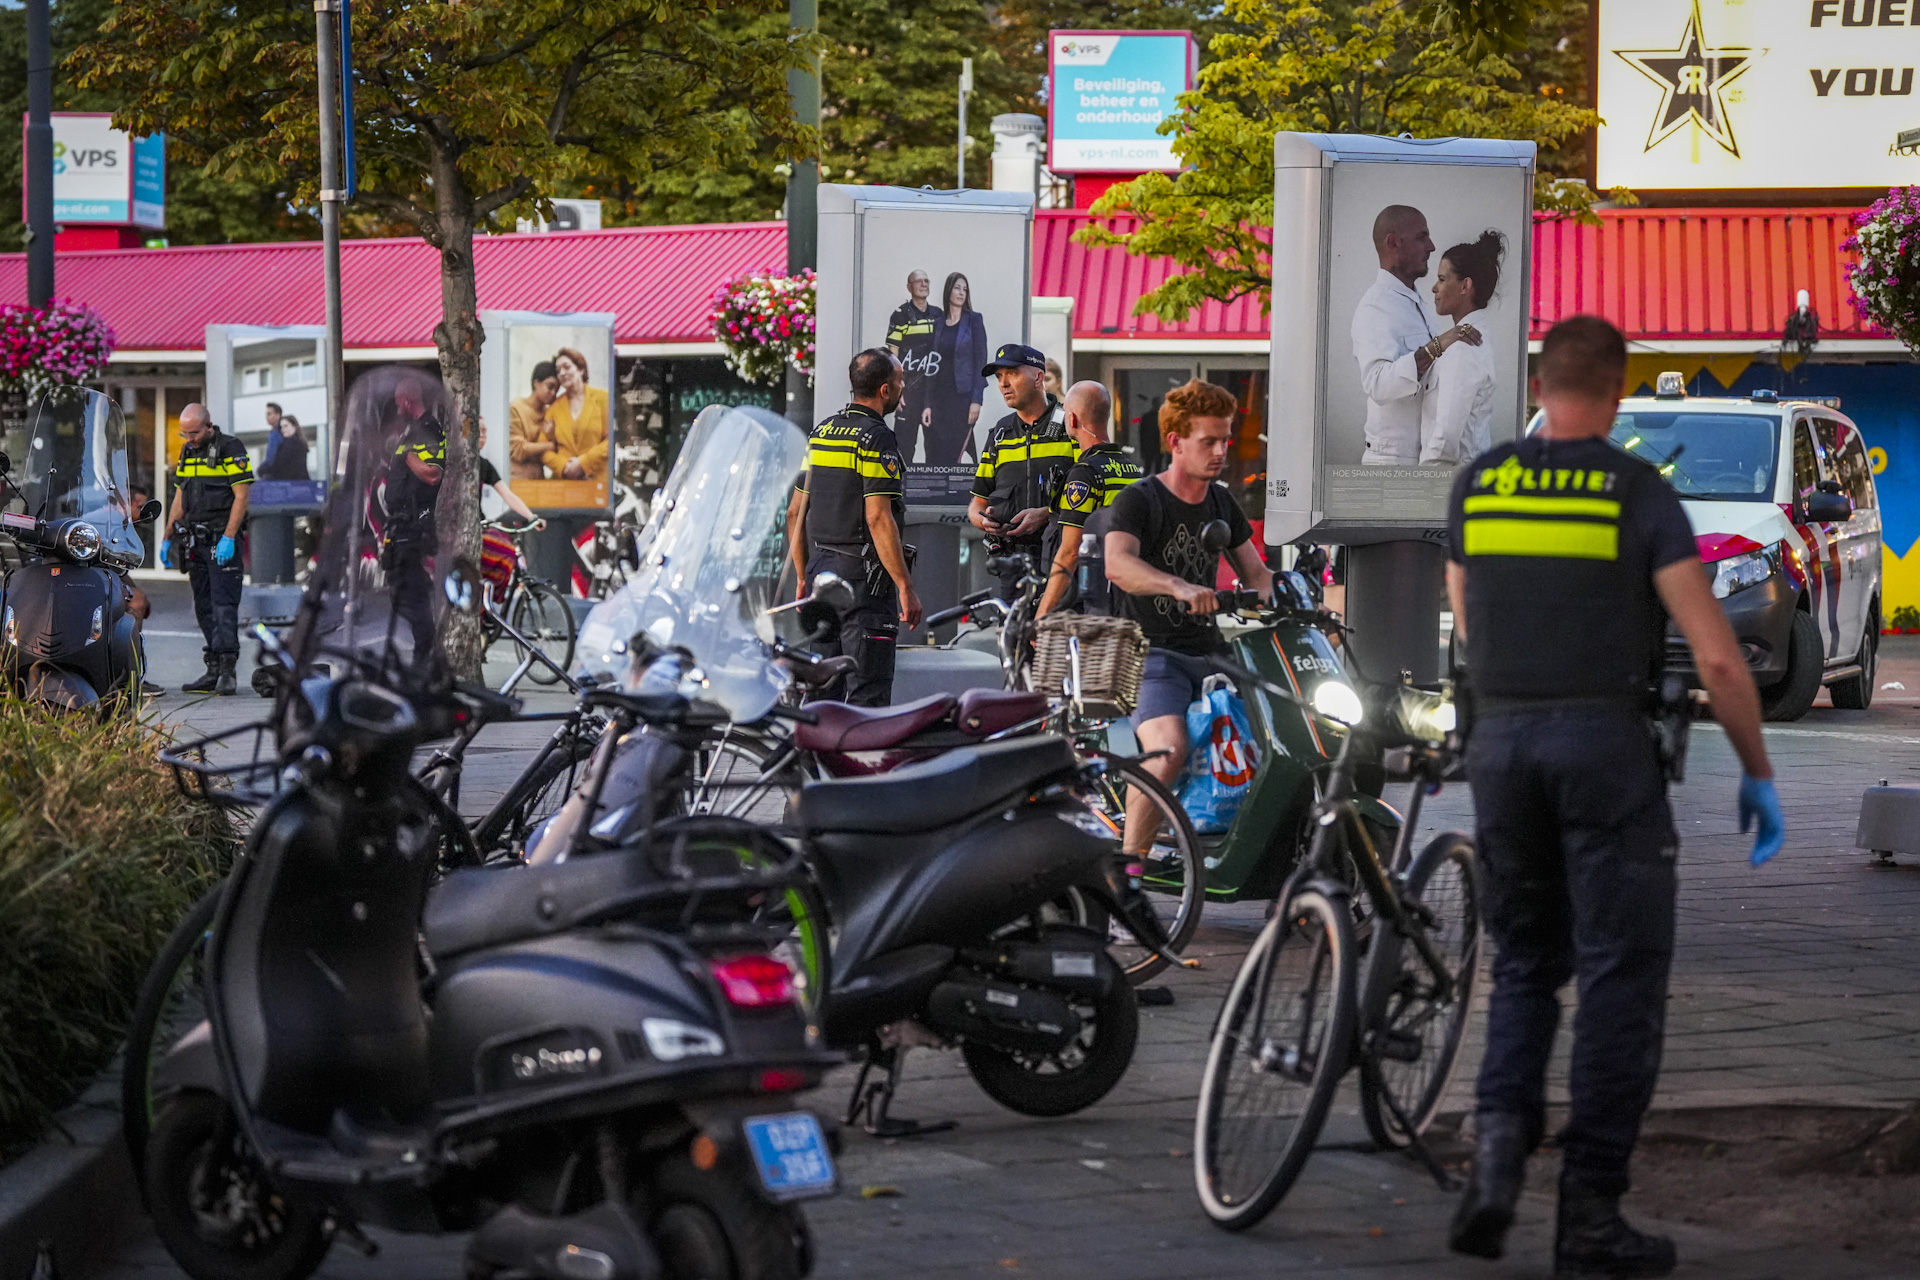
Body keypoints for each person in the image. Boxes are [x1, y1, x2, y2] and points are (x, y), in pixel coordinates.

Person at [1444, 316, 1784, 1278]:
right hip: (1604, 750)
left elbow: (1469, 619)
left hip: (1501, 747)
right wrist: (1758, 773)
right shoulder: (1637, 490)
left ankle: (1496, 1168)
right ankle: (1590, 1215)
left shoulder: (1483, 482)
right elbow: (1717, 654)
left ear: (1540, 382)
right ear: (1617, 385)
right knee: (1619, 980)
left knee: (1521, 967)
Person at [1104, 379, 1274, 861]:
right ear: (1176, 442)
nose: (1221, 451)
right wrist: (1177, 586)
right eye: (1209, 441)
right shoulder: (1141, 500)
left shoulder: (1221, 502)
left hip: (1212, 654)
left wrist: (1302, 601)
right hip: (1151, 654)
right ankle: (1128, 874)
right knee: (1168, 750)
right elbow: (1118, 565)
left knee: (1281, 740)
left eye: (1225, 439)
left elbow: (1257, 574)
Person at [785, 349, 922, 705]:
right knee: (867, 695)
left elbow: (794, 512)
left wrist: (802, 577)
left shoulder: (822, 433)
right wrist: (905, 585)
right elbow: (878, 517)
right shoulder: (877, 438)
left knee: (822, 694)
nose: (902, 388)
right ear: (884, 390)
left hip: (821, 574)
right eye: (899, 382)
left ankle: (815, 762)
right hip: (863, 584)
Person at [1351, 204, 1480, 465]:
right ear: (1393, 243)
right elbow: (1377, 384)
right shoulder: (1375, 306)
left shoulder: (1417, 302)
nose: (1431, 246)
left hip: (1420, 459)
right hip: (1391, 463)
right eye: (1422, 237)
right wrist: (1438, 345)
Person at [968, 343, 1072, 601]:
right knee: (1012, 640)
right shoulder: (1000, 434)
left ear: (1038, 377)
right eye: (999, 377)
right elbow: (976, 502)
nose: (1003, 384)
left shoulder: (1071, 424)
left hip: (1060, 562)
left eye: (1012, 374)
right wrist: (984, 521)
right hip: (1011, 567)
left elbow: (1095, 493)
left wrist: (1047, 514)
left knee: (1052, 640)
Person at [161, 403, 253, 695]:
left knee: (224, 605)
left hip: (220, 539)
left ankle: (228, 671)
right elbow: (180, 495)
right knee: (203, 606)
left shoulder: (230, 448)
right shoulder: (188, 451)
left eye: (195, 432)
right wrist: (166, 536)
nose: (189, 438)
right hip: (194, 540)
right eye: (184, 433)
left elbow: (242, 496)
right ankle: (212, 669)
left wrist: (229, 536)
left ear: (208, 425)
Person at [1036, 380, 1143, 617]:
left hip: (1089, 602)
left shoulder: (1085, 473)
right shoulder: (1131, 469)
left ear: (1072, 419)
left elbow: (1070, 551)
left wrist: (1043, 613)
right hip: (1122, 597)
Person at [1421, 231, 1504, 466]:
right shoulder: (1469, 339)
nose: (1434, 288)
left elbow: (1446, 438)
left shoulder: (1463, 348)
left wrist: (1424, 484)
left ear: (1465, 286)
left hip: (1448, 483)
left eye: (1442, 279)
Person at [381, 377, 446, 657]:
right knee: (400, 593)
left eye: (399, 403)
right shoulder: (411, 431)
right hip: (399, 525)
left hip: (414, 524)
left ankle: (426, 654)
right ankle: (426, 649)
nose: (398, 408)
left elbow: (433, 474)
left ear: (408, 401)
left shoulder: (429, 429)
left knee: (412, 593)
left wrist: (407, 455)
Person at [923, 272, 990, 465]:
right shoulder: (938, 324)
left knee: (956, 451)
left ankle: (958, 495)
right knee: (935, 452)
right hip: (938, 399)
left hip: (962, 398)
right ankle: (937, 495)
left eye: (965, 289)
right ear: (948, 291)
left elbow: (981, 361)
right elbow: (931, 366)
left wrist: (977, 400)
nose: (961, 293)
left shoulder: (974, 320)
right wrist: (927, 403)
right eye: (957, 288)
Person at [886, 269, 940, 463]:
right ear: (909, 287)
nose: (924, 284)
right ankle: (900, 491)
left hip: (933, 393)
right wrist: (896, 391)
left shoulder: (938, 315)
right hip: (909, 392)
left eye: (927, 280)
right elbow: (893, 356)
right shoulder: (900, 315)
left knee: (936, 448)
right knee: (904, 447)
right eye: (918, 281)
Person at [548, 347, 609, 481]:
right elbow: (544, 448)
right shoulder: (553, 408)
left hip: (596, 485)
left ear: (580, 369)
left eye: (567, 367)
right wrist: (563, 467)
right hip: (564, 486)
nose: (562, 373)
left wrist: (583, 463)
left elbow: (611, 440)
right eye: (558, 371)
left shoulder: (603, 398)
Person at [509, 360, 561, 480]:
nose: (553, 393)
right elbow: (518, 450)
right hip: (518, 479)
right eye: (550, 386)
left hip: (539, 481)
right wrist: (550, 445)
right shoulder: (516, 408)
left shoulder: (549, 413)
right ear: (536, 383)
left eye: (557, 390)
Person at [262, 413, 309, 480]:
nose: (283, 429)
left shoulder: (291, 444)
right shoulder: (301, 443)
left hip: (292, 483)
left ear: (294, 426)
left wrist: (263, 470)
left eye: (286, 426)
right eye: (281, 427)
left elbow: (280, 465)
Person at [261, 401, 284, 469]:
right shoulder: (273, 432)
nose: (266, 417)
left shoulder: (279, 433)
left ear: (278, 415)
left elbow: (271, 457)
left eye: (269, 414)